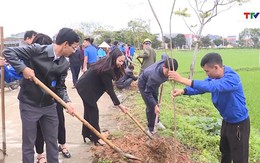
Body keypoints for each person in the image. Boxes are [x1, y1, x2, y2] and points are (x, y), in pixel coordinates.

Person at [4, 27, 79, 163]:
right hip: (29, 103)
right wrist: (23, 68)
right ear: (65, 44)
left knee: (52, 141)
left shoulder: (63, 64)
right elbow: (8, 52)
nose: (74, 51)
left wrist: (67, 101)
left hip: (49, 106)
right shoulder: (37, 50)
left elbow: (61, 86)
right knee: (28, 143)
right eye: (73, 47)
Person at [169, 52, 250, 163]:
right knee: (225, 151)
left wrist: (182, 79)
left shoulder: (232, 79)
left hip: (239, 124)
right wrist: (184, 91)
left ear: (216, 67)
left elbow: (211, 87)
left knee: (239, 157)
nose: (206, 74)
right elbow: (203, 86)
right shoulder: (214, 77)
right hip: (227, 121)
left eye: (207, 71)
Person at [76, 47, 128, 145]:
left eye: (122, 61)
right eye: (120, 61)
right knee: (94, 112)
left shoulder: (108, 63)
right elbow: (110, 90)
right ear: (114, 58)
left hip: (85, 86)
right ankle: (97, 138)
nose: (121, 63)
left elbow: (107, 88)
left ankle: (86, 133)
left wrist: (118, 103)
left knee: (89, 112)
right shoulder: (107, 70)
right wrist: (120, 105)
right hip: (86, 88)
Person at [138, 57, 178, 134]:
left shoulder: (166, 62)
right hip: (144, 84)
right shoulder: (155, 77)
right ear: (164, 66)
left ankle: (157, 121)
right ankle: (150, 128)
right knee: (151, 106)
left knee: (156, 101)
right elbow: (148, 92)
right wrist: (154, 106)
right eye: (167, 72)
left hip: (154, 84)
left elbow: (164, 56)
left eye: (171, 72)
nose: (169, 74)